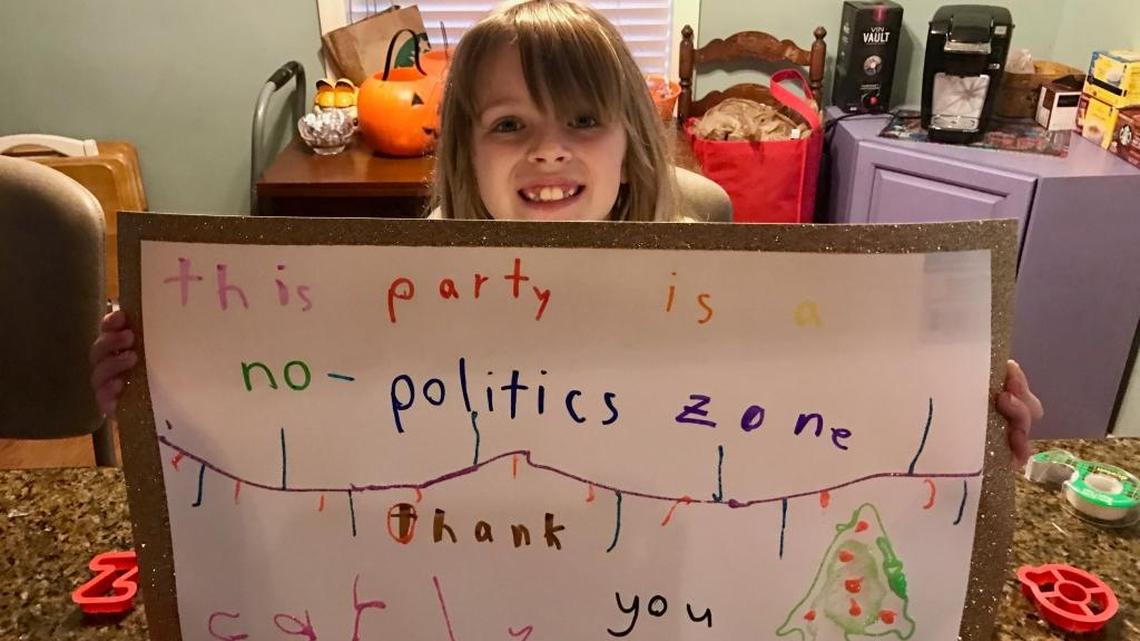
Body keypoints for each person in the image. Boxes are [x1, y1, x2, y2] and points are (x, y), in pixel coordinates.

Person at [90, 0, 1043, 463]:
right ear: (462, 147)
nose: (550, 150)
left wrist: (960, 414)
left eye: (583, 119)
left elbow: (792, 412)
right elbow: (304, 421)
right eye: (510, 124)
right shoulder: (399, 281)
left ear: (631, 140)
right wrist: (159, 387)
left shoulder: (703, 238)